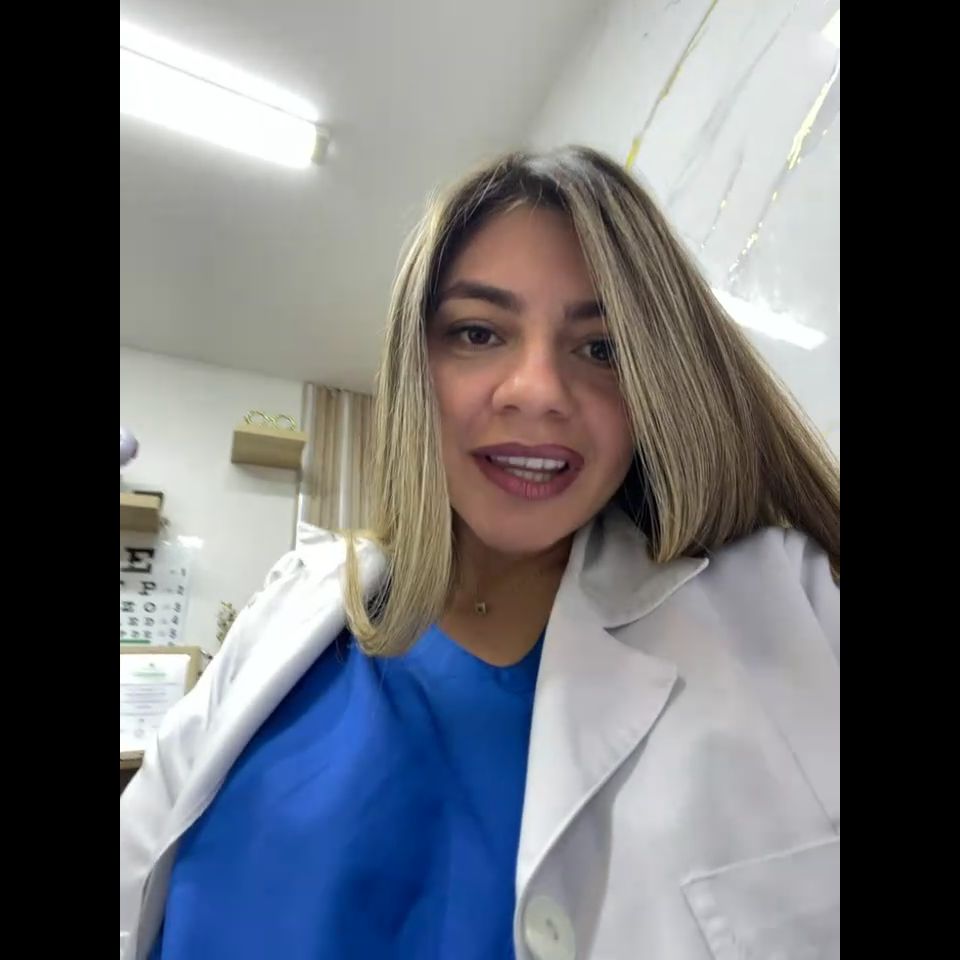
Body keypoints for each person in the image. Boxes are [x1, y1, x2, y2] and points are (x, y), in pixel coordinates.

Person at [120, 146, 839, 960]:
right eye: (478, 332)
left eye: (602, 349)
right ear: (416, 368)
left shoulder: (792, 608)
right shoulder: (291, 603)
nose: (538, 390)